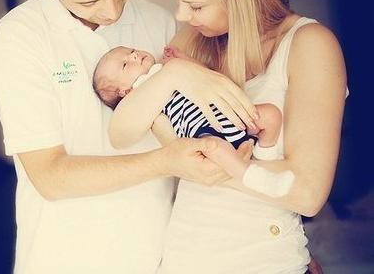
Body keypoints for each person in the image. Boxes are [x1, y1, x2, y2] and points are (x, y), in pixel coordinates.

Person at [0, 0, 257, 274]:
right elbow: (49, 176)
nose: (112, 11)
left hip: (160, 255)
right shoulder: (20, 37)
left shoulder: (159, 22)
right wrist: (165, 161)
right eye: (89, 1)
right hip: (64, 259)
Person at [109, 0, 347, 273]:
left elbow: (307, 193)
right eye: (178, 1)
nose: (180, 15)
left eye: (195, 5)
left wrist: (214, 161)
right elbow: (122, 132)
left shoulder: (309, 45)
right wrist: (174, 74)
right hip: (186, 257)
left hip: (265, 261)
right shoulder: (194, 42)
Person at [93, 45, 295, 198]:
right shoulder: (140, 95)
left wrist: (186, 61)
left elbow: (206, 77)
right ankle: (256, 178)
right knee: (215, 147)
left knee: (271, 115)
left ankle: (265, 157)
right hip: (203, 130)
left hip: (230, 116)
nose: (134, 56)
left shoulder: (168, 65)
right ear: (124, 92)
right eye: (125, 64)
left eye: (131, 51)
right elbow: (130, 130)